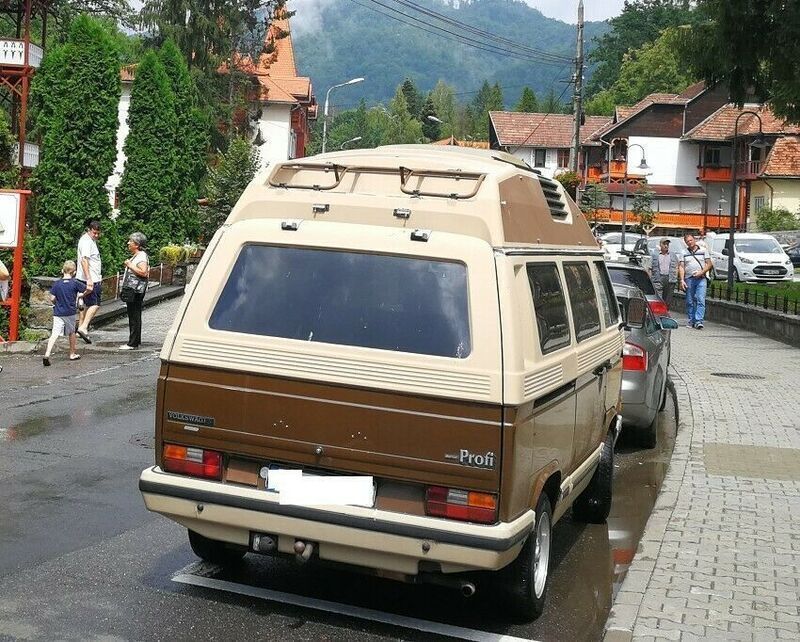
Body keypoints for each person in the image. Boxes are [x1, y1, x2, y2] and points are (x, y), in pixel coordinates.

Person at [43, 260, 93, 366]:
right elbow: (89, 289)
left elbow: (52, 298)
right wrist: (81, 295)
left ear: (62, 270)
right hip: (70, 312)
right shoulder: (75, 283)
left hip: (58, 312)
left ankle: (47, 354)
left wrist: (56, 301)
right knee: (71, 332)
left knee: (54, 334)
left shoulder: (57, 284)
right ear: (74, 272)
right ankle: (72, 353)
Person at [120, 232, 149, 350]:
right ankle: (136, 340)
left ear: (136, 244)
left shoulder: (141, 256)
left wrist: (130, 265)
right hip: (134, 289)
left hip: (136, 290)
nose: (128, 243)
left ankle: (133, 343)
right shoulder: (138, 255)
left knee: (134, 315)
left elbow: (144, 272)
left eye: (130, 241)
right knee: (134, 314)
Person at [678, 234, 713, 329]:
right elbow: (681, 266)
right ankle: (691, 319)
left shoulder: (703, 251)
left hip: (701, 278)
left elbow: (709, 264)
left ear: (694, 240)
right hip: (689, 278)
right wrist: (682, 280)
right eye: (688, 241)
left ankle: (698, 320)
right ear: (686, 243)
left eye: (691, 240)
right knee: (690, 301)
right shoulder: (683, 252)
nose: (690, 242)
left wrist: (701, 272)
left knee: (700, 299)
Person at [76, 220, 102, 344]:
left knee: (85, 305)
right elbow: (84, 260)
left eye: (98, 233)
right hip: (91, 278)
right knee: (95, 304)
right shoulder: (86, 242)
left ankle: (80, 328)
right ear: (89, 230)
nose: (96, 235)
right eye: (94, 233)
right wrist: (89, 279)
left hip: (88, 277)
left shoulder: (89, 240)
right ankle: (83, 327)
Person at [650, 238, 679, 306]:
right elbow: (650, 268)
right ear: (660, 245)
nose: (666, 246)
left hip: (670, 279)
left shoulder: (673, 255)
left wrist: (676, 277)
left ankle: (666, 313)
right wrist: (650, 280)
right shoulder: (655, 255)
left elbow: (677, 266)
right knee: (658, 299)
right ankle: (658, 314)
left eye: (667, 244)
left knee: (668, 300)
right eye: (664, 244)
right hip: (658, 279)